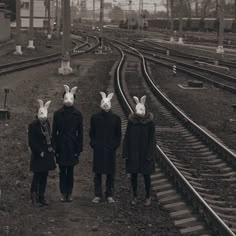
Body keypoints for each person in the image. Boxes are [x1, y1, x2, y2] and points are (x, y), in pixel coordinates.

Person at [123, 95, 156, 206]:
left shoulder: (150, 122)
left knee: (146, 175)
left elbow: (152, 139)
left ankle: (148, 196)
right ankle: (135, 196)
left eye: (141, 109)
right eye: (137, 109)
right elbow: (127, 136)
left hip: (145, 152)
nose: (138, 112)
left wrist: (150, 153)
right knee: (134, 175)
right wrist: (126, 152)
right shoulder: (132, 121)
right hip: (134, 152)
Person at [52, 85, 83, 202]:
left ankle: (69, 192)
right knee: (62, 171)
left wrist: (78, 149)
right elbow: (54, 132)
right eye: (66, 98)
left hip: (72, 145)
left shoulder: (78, 114)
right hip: (61, 145)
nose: (68, 101)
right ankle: (62, 192)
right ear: (63, 99)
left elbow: (80, 133)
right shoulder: (57, 114)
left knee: (70, 170)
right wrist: (54, 147)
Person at [89, 92, 121, 203]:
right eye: (104, 102)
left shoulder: (116, 118)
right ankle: (98, 194)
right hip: (99, 148)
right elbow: (91, 133)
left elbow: (118, 135)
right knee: (98, 172)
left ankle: (109, 194)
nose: (106, 105)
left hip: (110, 149)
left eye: (107, 103)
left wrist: (114, 145)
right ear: (101, 104)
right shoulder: (95, 118)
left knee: (110, 172)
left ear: (110, 104)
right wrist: (94, 144)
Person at [28, 99, 56, 206]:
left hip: (47, 154)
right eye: (41, 113)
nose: (43, 116)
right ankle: (34, 198)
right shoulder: (33, 125)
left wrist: (51, 148)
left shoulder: (47, 123)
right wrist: (39, 151)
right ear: (37, 113)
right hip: (38, 155)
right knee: (37, 176)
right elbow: (31, 142)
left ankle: (41, 197)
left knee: (44, 175)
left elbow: (50, 136)